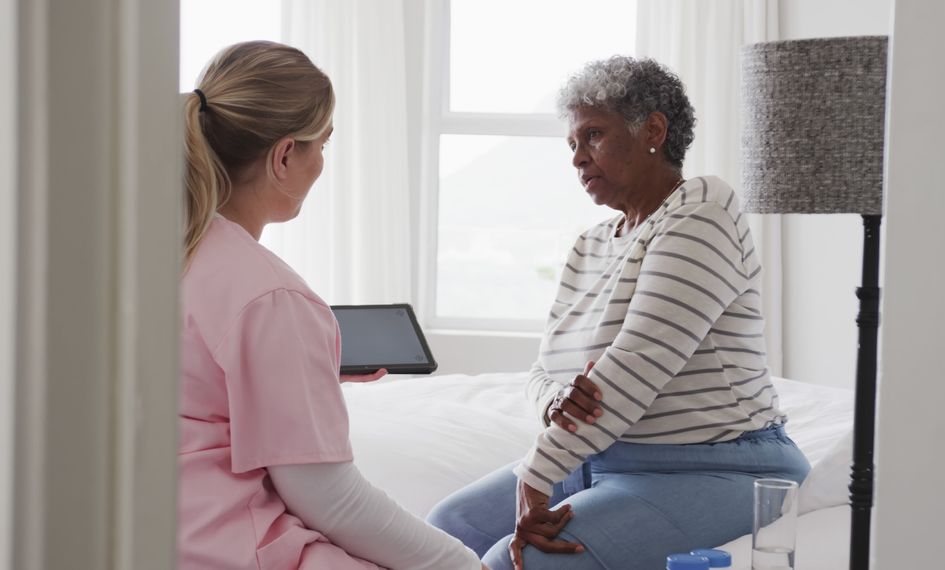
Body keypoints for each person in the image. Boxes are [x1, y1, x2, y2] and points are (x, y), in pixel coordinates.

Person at [427, 56, 810, 570]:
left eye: (594, 136)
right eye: (572, 144)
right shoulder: (590, 245)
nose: (578, 158)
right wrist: (556, 401)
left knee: (520, 563)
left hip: (718, 464)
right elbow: (545, 368)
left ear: (653, 130)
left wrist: (536, 474)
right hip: (600, 456)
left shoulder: (703, 212)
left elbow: (635, 367)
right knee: (445, 531)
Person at [178, 40, 485, 570]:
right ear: (284, 156)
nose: (322, 162)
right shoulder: (270, 294)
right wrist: (461, 564)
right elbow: (329, 498)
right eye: (324, 143)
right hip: (233, 548)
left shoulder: (151, 255)